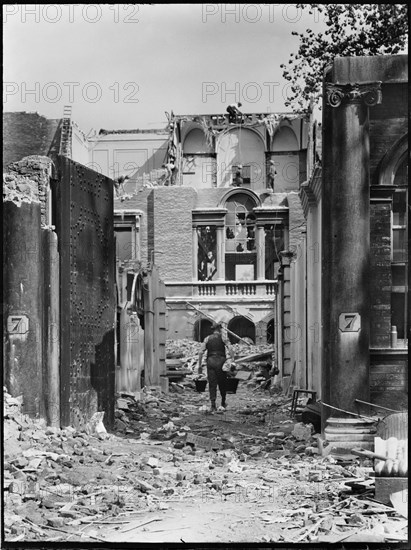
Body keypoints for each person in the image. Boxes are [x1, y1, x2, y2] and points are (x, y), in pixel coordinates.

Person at [198, 323, 234, 412]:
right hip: (221, 361)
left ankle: (213, 405)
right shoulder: (223, 337)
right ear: (219, 329)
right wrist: (232, 360)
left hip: (210, 361)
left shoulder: (207, 338)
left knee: (212, 383)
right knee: (222, 382)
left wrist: (199, 365)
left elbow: (200, 352)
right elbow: (230, 348)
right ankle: (222, 403)